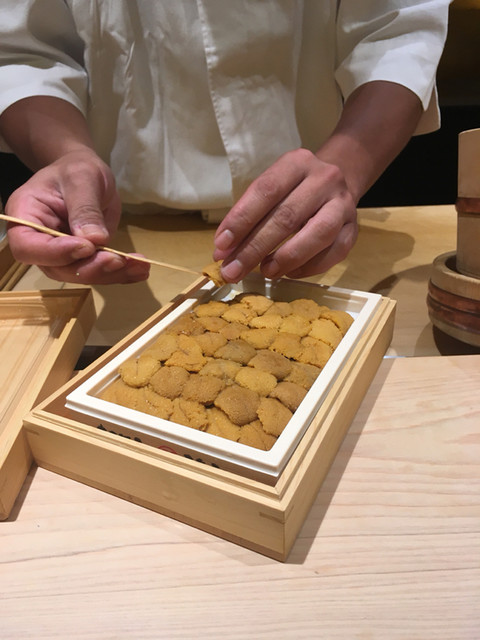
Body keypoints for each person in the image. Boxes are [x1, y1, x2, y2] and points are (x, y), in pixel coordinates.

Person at [0, 1, 450, 286]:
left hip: (320, 231)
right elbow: (25, 52)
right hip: (121, 231)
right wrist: (68, 156)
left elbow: (398, 29)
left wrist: (347, 169)